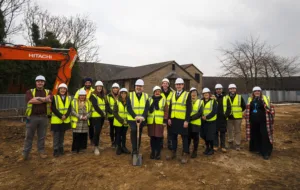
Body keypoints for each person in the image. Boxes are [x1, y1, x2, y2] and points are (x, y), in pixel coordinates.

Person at [20, 75, 52, 161]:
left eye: (42, 81)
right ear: (36, 82)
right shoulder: (30, 91)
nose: (40, 82)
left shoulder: (48, 91)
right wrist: (44, 99)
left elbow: (50, 100)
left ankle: (41, 152)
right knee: (29, 136)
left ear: (44, 83)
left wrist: (38, 99)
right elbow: (31, 100)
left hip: (44, 117)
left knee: (42, 136)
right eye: (38, 81)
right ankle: (25, 154)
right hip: (32, 117)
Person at [166, 78, 191, 164]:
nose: (178, 86)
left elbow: (189, 109)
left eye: (180, 84)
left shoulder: (187, 94)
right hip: (174, 119)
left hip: (182, 120)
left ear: (183, 85)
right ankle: (173, 152)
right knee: (173, 136)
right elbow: (170, 107)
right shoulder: (173, 94)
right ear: (175, 86)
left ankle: (185, 153)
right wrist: (169, 118)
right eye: (177, 84)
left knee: (184, 137)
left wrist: (187, 120)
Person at [245, 86, 275, 160]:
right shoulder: (250, 99)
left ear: (260, 92)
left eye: (258, 91)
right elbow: (248, 109)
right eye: (255, 91)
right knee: (255, 135)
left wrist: (270, 113)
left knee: (264, 135)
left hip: (263, 121)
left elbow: (271, 108)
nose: (257, 92)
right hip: (254, 122)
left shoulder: (265, 98)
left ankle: (265, 152)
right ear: (253, 92)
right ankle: (257, 149)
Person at [126, 79, 149, 156]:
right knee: (134, 130)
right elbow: (128, 107)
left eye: (140, 86)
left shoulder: (146, 96)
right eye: (137, 86)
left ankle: (137, 149)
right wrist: (135, 116)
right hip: (132, 119)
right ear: (135, 87)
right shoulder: (130, 95)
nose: (138, 87)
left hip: (141, 119)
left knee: (139, 133)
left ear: (143, 87)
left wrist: (143, 116)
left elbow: (147, 108)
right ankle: (134, 149)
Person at [50, 83, 72, 157]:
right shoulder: (55, 97)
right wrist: (60, 116)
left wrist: (65, 116)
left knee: (62, 135)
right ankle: (56, 150)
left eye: (64, 89)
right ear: (58, 90)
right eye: (61, 89)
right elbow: (53, 108)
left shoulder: (69, 98)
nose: (63, 90)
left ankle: (61, 148)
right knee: (56, 135)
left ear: (66, 90)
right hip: (57, 120)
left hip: (64, 120)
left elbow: (69, 108)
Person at [148, 86, 168, 160]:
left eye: (159, 91)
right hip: (151, 122)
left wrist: (165, 121)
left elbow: (166, 111)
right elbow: (147, 109)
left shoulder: (163, 100)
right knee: (152, 137)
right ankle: (153, 152)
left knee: (158, 138)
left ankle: (158, 153)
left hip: (159, 122)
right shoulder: (149, 99)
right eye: (156, 91)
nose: (157, 92)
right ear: (154, 92)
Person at [74, 77, 94, 145]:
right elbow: (75, 100)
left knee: (91, 127)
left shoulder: (93, 91)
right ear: (84, 83)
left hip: (90, 111)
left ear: (91, 84)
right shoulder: (79, 90)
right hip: (81, 111)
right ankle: (79, 143)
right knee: (81, 128)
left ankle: (92, 139)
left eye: (89, 83)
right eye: (86, 83)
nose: (88, 84)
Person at [71, 89, 91, 153]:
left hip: (85, 121)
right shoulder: (74, 102)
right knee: (76, 135)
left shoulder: (88, 102)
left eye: (83, 95)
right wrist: (79, 116)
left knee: (83, 135)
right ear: (78, 96)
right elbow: (72, 111)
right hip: (77, 122)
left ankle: (82, 148)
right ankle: (75, 149)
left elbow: (90, 111)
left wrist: (87, 116)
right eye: (81, 95)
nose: (82, 97)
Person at [212, 84, 231, 153]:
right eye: (217, 89)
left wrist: (225, 115)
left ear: (222, 89)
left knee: (223, 132)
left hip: (223, 118)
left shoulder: (226, 97)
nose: (218, 90)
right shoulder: (212, 97)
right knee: (215, 132)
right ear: (215, 90)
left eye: (219, 89)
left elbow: (229, 108)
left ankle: (223, 146)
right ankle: (216, 145)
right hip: (215, 118)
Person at [89, 81, 106, 156]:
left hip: (101, 117)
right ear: (95, 87)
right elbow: (95, 106)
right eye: (98, 86)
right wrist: (103, 113)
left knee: (98, 132)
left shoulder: (103, 96)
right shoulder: (93, 95)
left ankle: (96, 145)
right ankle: (95, 147)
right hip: (95, 117)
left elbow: (105, 105)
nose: (99, 88)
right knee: (97, 131)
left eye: (100, 86)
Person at [227, 84, 246, 151]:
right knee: (230, 131)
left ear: (235, 89)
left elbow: (244, 106)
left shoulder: (239, 97)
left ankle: (237, 144)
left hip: (237, 118)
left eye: (233, 88)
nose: (232, 90)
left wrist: (240, 113)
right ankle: (230, 143)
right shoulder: (226, 97)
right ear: (229, 89)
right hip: (229, 117)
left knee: (237, 131)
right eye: (231, 88)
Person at [113, 88, 131, 155]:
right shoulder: (117, 102)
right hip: (118, 122)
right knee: (118, 135)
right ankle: (119, 148)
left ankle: (123, 147)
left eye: (125, 93)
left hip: (126, 123)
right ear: (120, 94)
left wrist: (127, 120)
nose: (123, 94)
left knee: (123, 135)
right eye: (122, 93)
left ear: (127, 94)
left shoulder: (128, 102)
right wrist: (121, 120)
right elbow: (114, 112)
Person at [200, 88, 218, 156]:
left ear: (209, 94)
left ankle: (211, 149)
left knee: (210, 136)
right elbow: (199, 109)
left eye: (207, 93)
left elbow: (214, 111)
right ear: (203, 94)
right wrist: (202, 116)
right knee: (204, 135)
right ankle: (207, 147)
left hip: (211, 121)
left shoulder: (213, 101)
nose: (206, 94)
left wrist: (207, 117)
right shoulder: (201, 101)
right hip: (203, 122)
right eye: (204, 93)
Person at [188, 87, 203, 158]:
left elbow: (200, 113)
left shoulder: (200, 102)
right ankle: (186, 150)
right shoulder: (187, 102)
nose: (193, 95)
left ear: (197, 95)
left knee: (195, 138)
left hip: (196, 123)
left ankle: (195, 151)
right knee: (187, 137)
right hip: (189, 123)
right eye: (192, 93)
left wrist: (190, 118)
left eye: (195, 94)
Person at [160, 78, 174, 150]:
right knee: (161, 129)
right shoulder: (159, 92)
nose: (165, 84)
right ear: (162, 84)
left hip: (169, 114)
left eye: (166, 83)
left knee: (170, 130)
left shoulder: (172, 93)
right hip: (161, 114)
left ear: (168, 85)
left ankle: (170, 143)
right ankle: (160, 143)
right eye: (164, 83)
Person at [106, 83, 120, 148]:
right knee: (112, 129)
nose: (115, 89)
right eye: (114, 88)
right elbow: (107, 106)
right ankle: (113, 142)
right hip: (111, 116)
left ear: (118, 89)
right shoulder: (108, 96)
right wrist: (113, 112)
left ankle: (117, 142)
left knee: (118, 130)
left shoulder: (120, 96)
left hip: (118, 116)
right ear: (112, 89)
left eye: (116, 88)